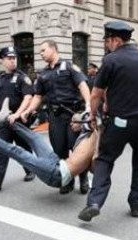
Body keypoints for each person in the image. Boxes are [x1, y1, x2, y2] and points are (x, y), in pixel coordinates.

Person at [78, 21, 138, 222]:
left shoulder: (111, 60)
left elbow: (96, 93)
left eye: (108, 41)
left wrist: (93, 115)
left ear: (116, 40)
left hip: (119, 122)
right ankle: (137, 205)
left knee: (104, 160)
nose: (106, 45)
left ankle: (94, 203)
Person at [0, 101, 98, 189]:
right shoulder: (85, 130)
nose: (70, 124)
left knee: (15, 150)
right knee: (35, 138)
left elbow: (94, 168)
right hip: (56, 162)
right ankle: (6, 121)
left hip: (56, 175)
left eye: (74, 122)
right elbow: (88, 113)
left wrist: (91, 158)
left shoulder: (94, 138)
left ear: (87, 123)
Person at [21, 39, 91, 195]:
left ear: (53, 49)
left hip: (73, 116)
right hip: (55, 117)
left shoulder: (69, 67)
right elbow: (38, 96)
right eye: (40, 51)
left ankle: (84, 179)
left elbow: (82, 85)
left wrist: (88, 105)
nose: (41, 53)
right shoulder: (43, 74)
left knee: (78, 149)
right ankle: (68, 180)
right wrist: (28, 110)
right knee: (60, 151)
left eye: (43, 50)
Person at [0, 46, 35, 190]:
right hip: (3, 121)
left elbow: (28, 97)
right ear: (2, 60)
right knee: (1, 148)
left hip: (18, 121)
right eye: (9, 58)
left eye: (14, 58)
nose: (13, 61)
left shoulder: (22, 77)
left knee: (23, 148)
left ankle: (30, 169)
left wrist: (17, 114)